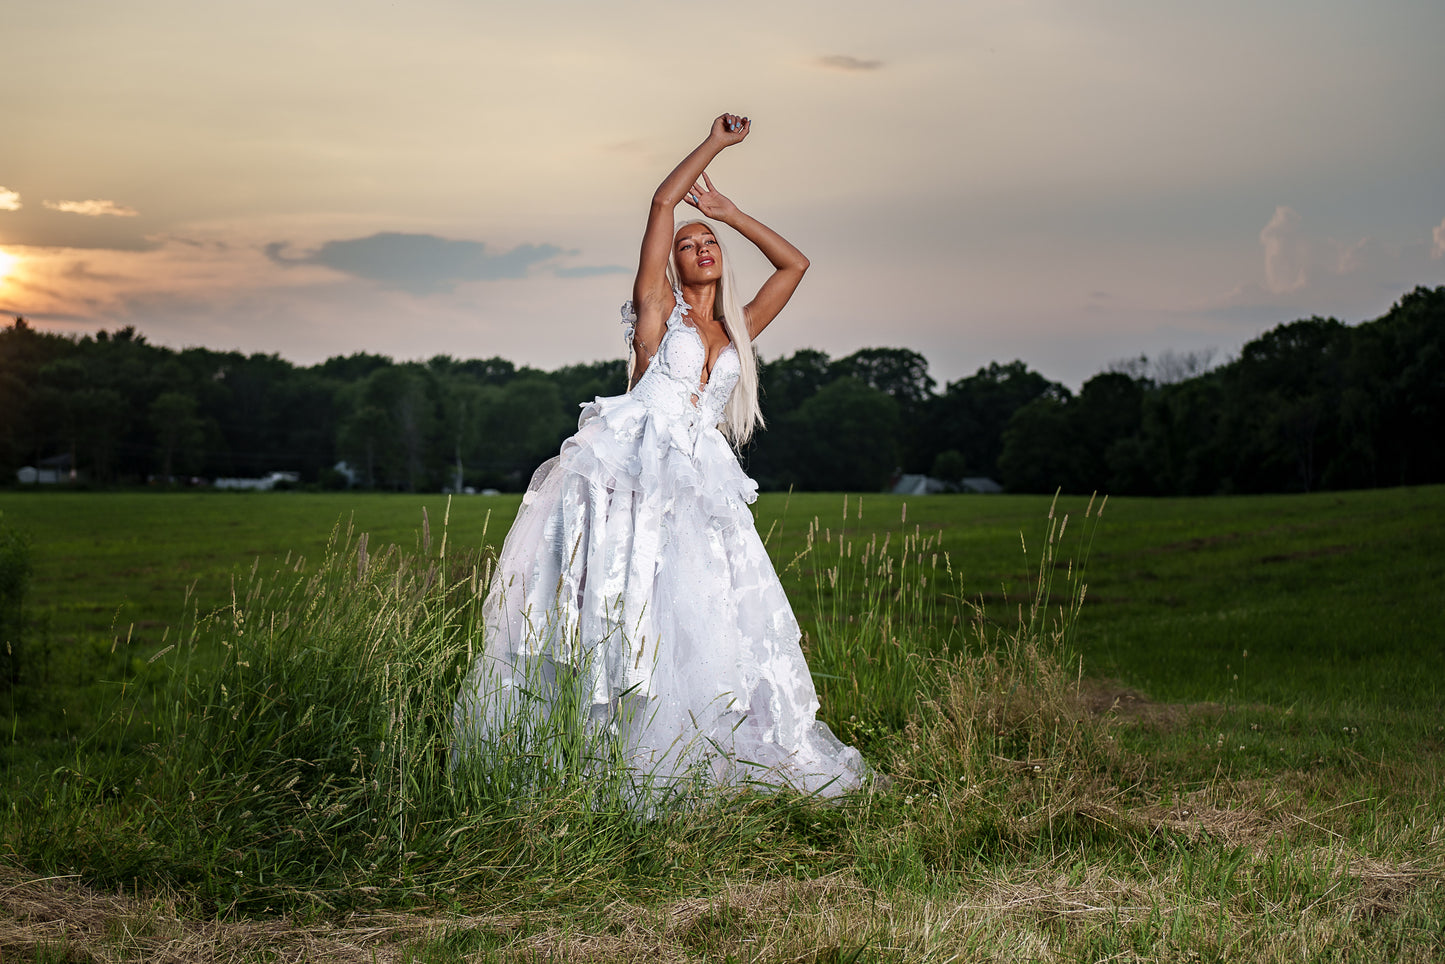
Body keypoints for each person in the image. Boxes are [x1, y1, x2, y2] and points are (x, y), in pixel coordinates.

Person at [454, 114, 867, 800]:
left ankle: (695, 758)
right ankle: (600, 756)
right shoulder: (657, 314)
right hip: (632, 479)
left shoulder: (739, 326)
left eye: (709, 242)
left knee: (703, 613)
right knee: (624, 609)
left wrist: (731, 213)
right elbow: (659, 203)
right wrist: (715, 146)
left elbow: (795, 264)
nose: (700, 246)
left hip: (701, 489)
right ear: (671, 263)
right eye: (688, 242)